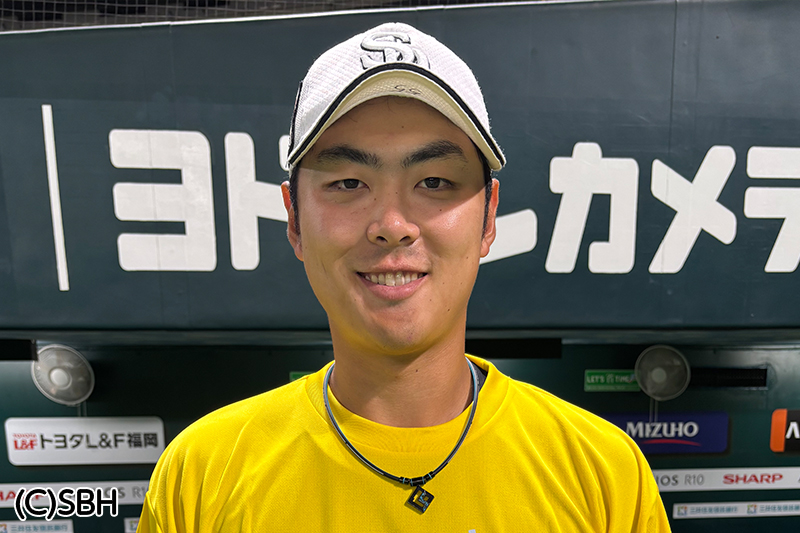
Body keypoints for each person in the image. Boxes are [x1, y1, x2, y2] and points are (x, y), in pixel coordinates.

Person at [137, 22, 671, 532]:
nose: (392, 226)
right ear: (294, 220)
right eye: (348, 183)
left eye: (434, 181)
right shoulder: (201, 475)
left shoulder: (603, 473)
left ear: (488, 218)